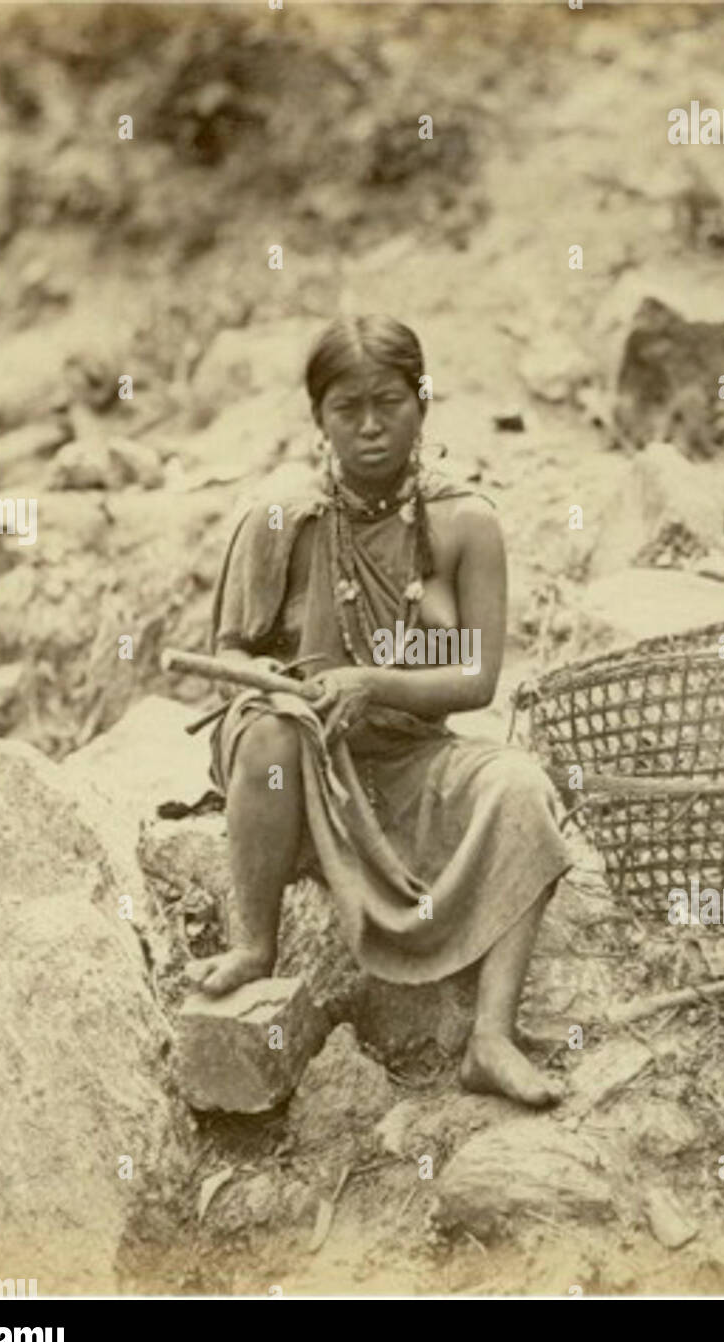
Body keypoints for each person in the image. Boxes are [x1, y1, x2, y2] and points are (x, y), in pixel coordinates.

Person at [188, 315, 574, 1106]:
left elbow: (476, 682)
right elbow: (229, 656)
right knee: (269, 730)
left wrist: (373, 684)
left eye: (390, 403)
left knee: (520, 787)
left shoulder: (466, 522)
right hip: (297, 749)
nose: (369, 427)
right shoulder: (280, 516)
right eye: (346, 409)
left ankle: (491, 1039)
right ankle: (253, 946)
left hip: (405, 751)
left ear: (423, 401)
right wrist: (273, 682)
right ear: (317, 418)